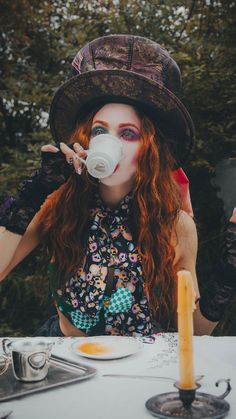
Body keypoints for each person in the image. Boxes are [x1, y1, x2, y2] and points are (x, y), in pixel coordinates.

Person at [0, 34, 218, 337]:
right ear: (86, 140)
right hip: (70, 363)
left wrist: (228, 274)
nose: (109, 143)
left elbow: (195, 332)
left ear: (149, 151)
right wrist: (35, 192)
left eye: (128, 134)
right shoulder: (57, 208)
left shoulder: (176, 224)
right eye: (100, 130)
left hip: (137, 370)